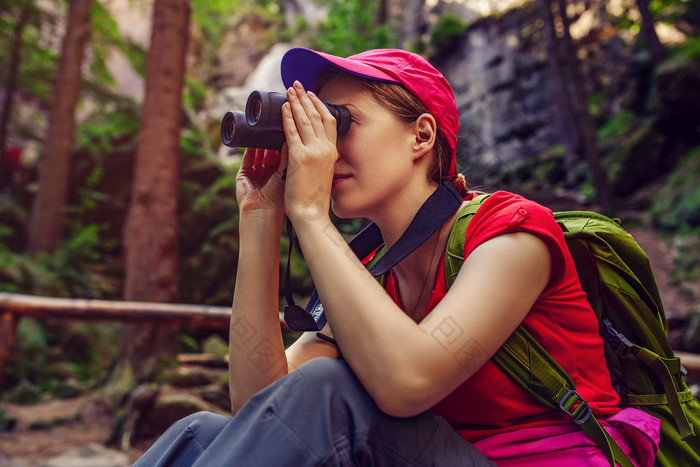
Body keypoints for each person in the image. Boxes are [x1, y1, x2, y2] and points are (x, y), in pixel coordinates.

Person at [133, 48, 660, 466]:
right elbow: (260, 410)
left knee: (327, 389)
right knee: (199, 433)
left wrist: (313, 216)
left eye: (341, 123)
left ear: (421, 136)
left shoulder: (512, 233)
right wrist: (260, 219)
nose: (326, 146)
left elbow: (407, 382)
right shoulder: (371, 273)